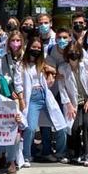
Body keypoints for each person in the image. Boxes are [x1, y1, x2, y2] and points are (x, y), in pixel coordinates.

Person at [15, 38, 68, 167]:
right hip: (31, 97)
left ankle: (60, 153)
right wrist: (21, 100)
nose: (36, 50)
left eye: (39, 48)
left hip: (45, 96)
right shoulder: (21, 65)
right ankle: (26, 156)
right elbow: (18, 84)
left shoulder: (42, 64)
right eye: (34, 47)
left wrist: (50, 72)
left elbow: (55, 72)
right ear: (29, 48)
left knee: (61, 125)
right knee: (30, 128)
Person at [57, 42, 88, 166]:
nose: (73, 54)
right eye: (70, 52)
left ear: (80, 52)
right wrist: (68, 104)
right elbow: (62, 88)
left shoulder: (87, 64)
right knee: (73, 128)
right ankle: (76, 152)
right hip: (73, 103)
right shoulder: (62, 68)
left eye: (76, 51)